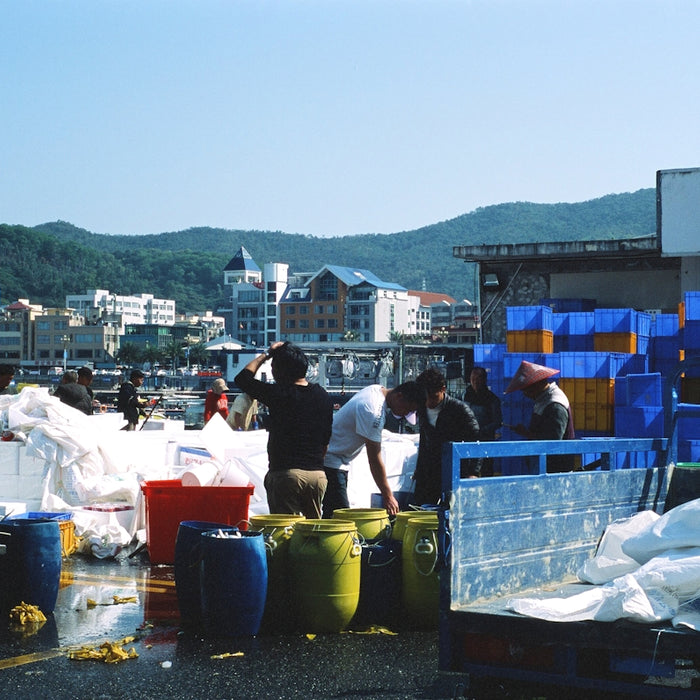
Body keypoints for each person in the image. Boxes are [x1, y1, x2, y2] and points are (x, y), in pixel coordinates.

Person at [235, 341, 334, 519]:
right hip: (317, 476)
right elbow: (325, 440)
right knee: (313, 532)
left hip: (286, 473)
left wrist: (266, 354)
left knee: (285, 533)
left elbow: (242, 379)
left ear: (281, 370)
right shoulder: (323, 397)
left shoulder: (279, 394)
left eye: (273, 367)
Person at [322, 381, 426, 518]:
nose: (404, 414)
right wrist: (388, 496)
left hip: (336, 459)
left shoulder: (376, 389)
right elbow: (374, 459)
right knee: (341, 517)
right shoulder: (373, 411)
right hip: (332, 459)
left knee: (332, 513)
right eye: (407, 409)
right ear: (399, 396)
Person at [411, 368, 481, 506]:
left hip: (454, 468)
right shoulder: (421, 408)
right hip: (429, 468)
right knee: (422, 507)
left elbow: (476, 441)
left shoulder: (460, 410)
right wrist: (419, 468)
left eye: (433, 397)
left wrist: (473, 472)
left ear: (443, 389)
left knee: (451, 510)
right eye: (425, 398)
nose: (429, 402)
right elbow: (424, 440)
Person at [505, 360, 576, 473]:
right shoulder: (542, 399)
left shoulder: (555, 404)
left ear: (536, 385)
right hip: (542, 464)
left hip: (554, 468)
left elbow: (552, 443)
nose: (525, 394)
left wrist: (527, 433)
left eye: (526, 390)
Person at [463, 366, 503, 476]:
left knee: (486, 470)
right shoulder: (466, 396)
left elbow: (498, 421)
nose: (475, 381)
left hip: (485, 441)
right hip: (468, 441)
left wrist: (482, 431)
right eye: (473, 379)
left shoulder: (492, 399)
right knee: (468, 471)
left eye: (478, 378)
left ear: (484, 380)